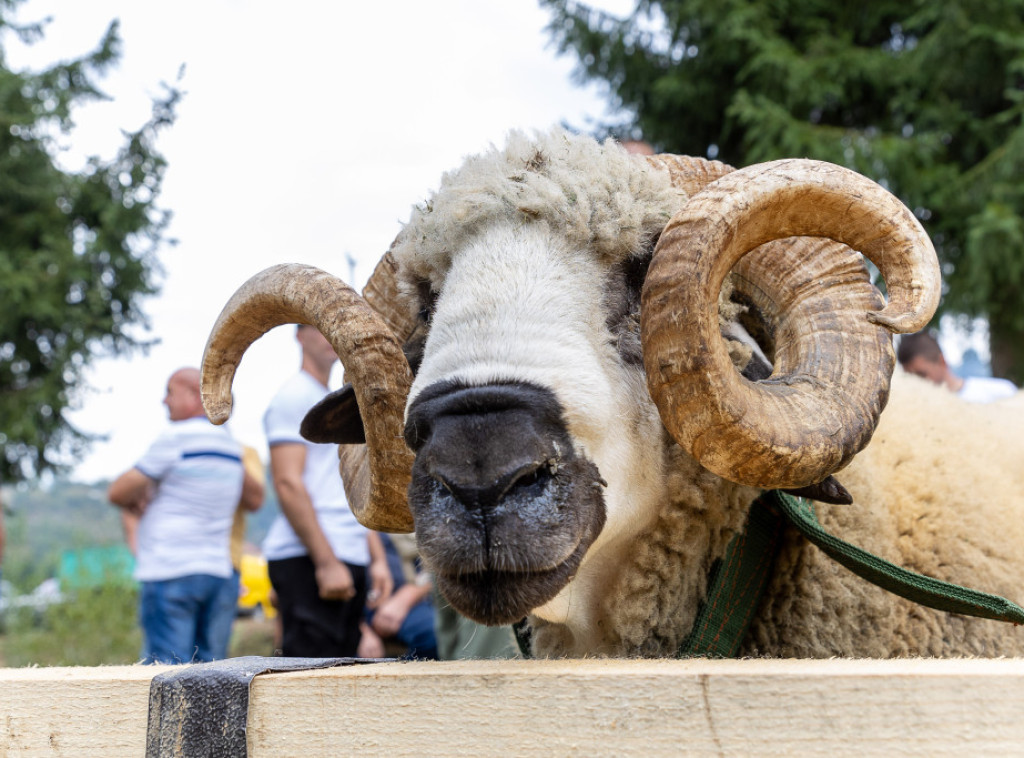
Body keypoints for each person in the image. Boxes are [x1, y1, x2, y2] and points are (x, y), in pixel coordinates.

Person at [108, 367, 263, 664]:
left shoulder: (176, 438)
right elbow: (253, 498)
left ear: (195, 396)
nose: (164, 401)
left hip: (171, 570)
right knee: (210, 672)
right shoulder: (232, 447)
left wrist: (138, 497)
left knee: (165, 671)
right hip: (216, 570)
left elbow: (117, 492)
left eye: (170, 392)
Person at [262, 324, 391, 658]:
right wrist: (325, 562)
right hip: (309, 560)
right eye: (318, 328)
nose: (329, 336)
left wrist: (376, 559)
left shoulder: (332, 402)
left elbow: (346, 488)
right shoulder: (293, 396)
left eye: (334, 329)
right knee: (306, 682)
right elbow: (288, 483)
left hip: (346, 555)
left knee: (338, 682)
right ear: (299, 336)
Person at [357, 532, 438, 660]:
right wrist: (360, 629)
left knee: (432, 634)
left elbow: (436, 568)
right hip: (353, 608)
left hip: (407, 597)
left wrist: (410, 595)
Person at [897, 330, 1018, 404]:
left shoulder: (1002, 393)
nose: (917, 383)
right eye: (910, 378)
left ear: (941, 361)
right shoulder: (918, 412)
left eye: (921, 374)